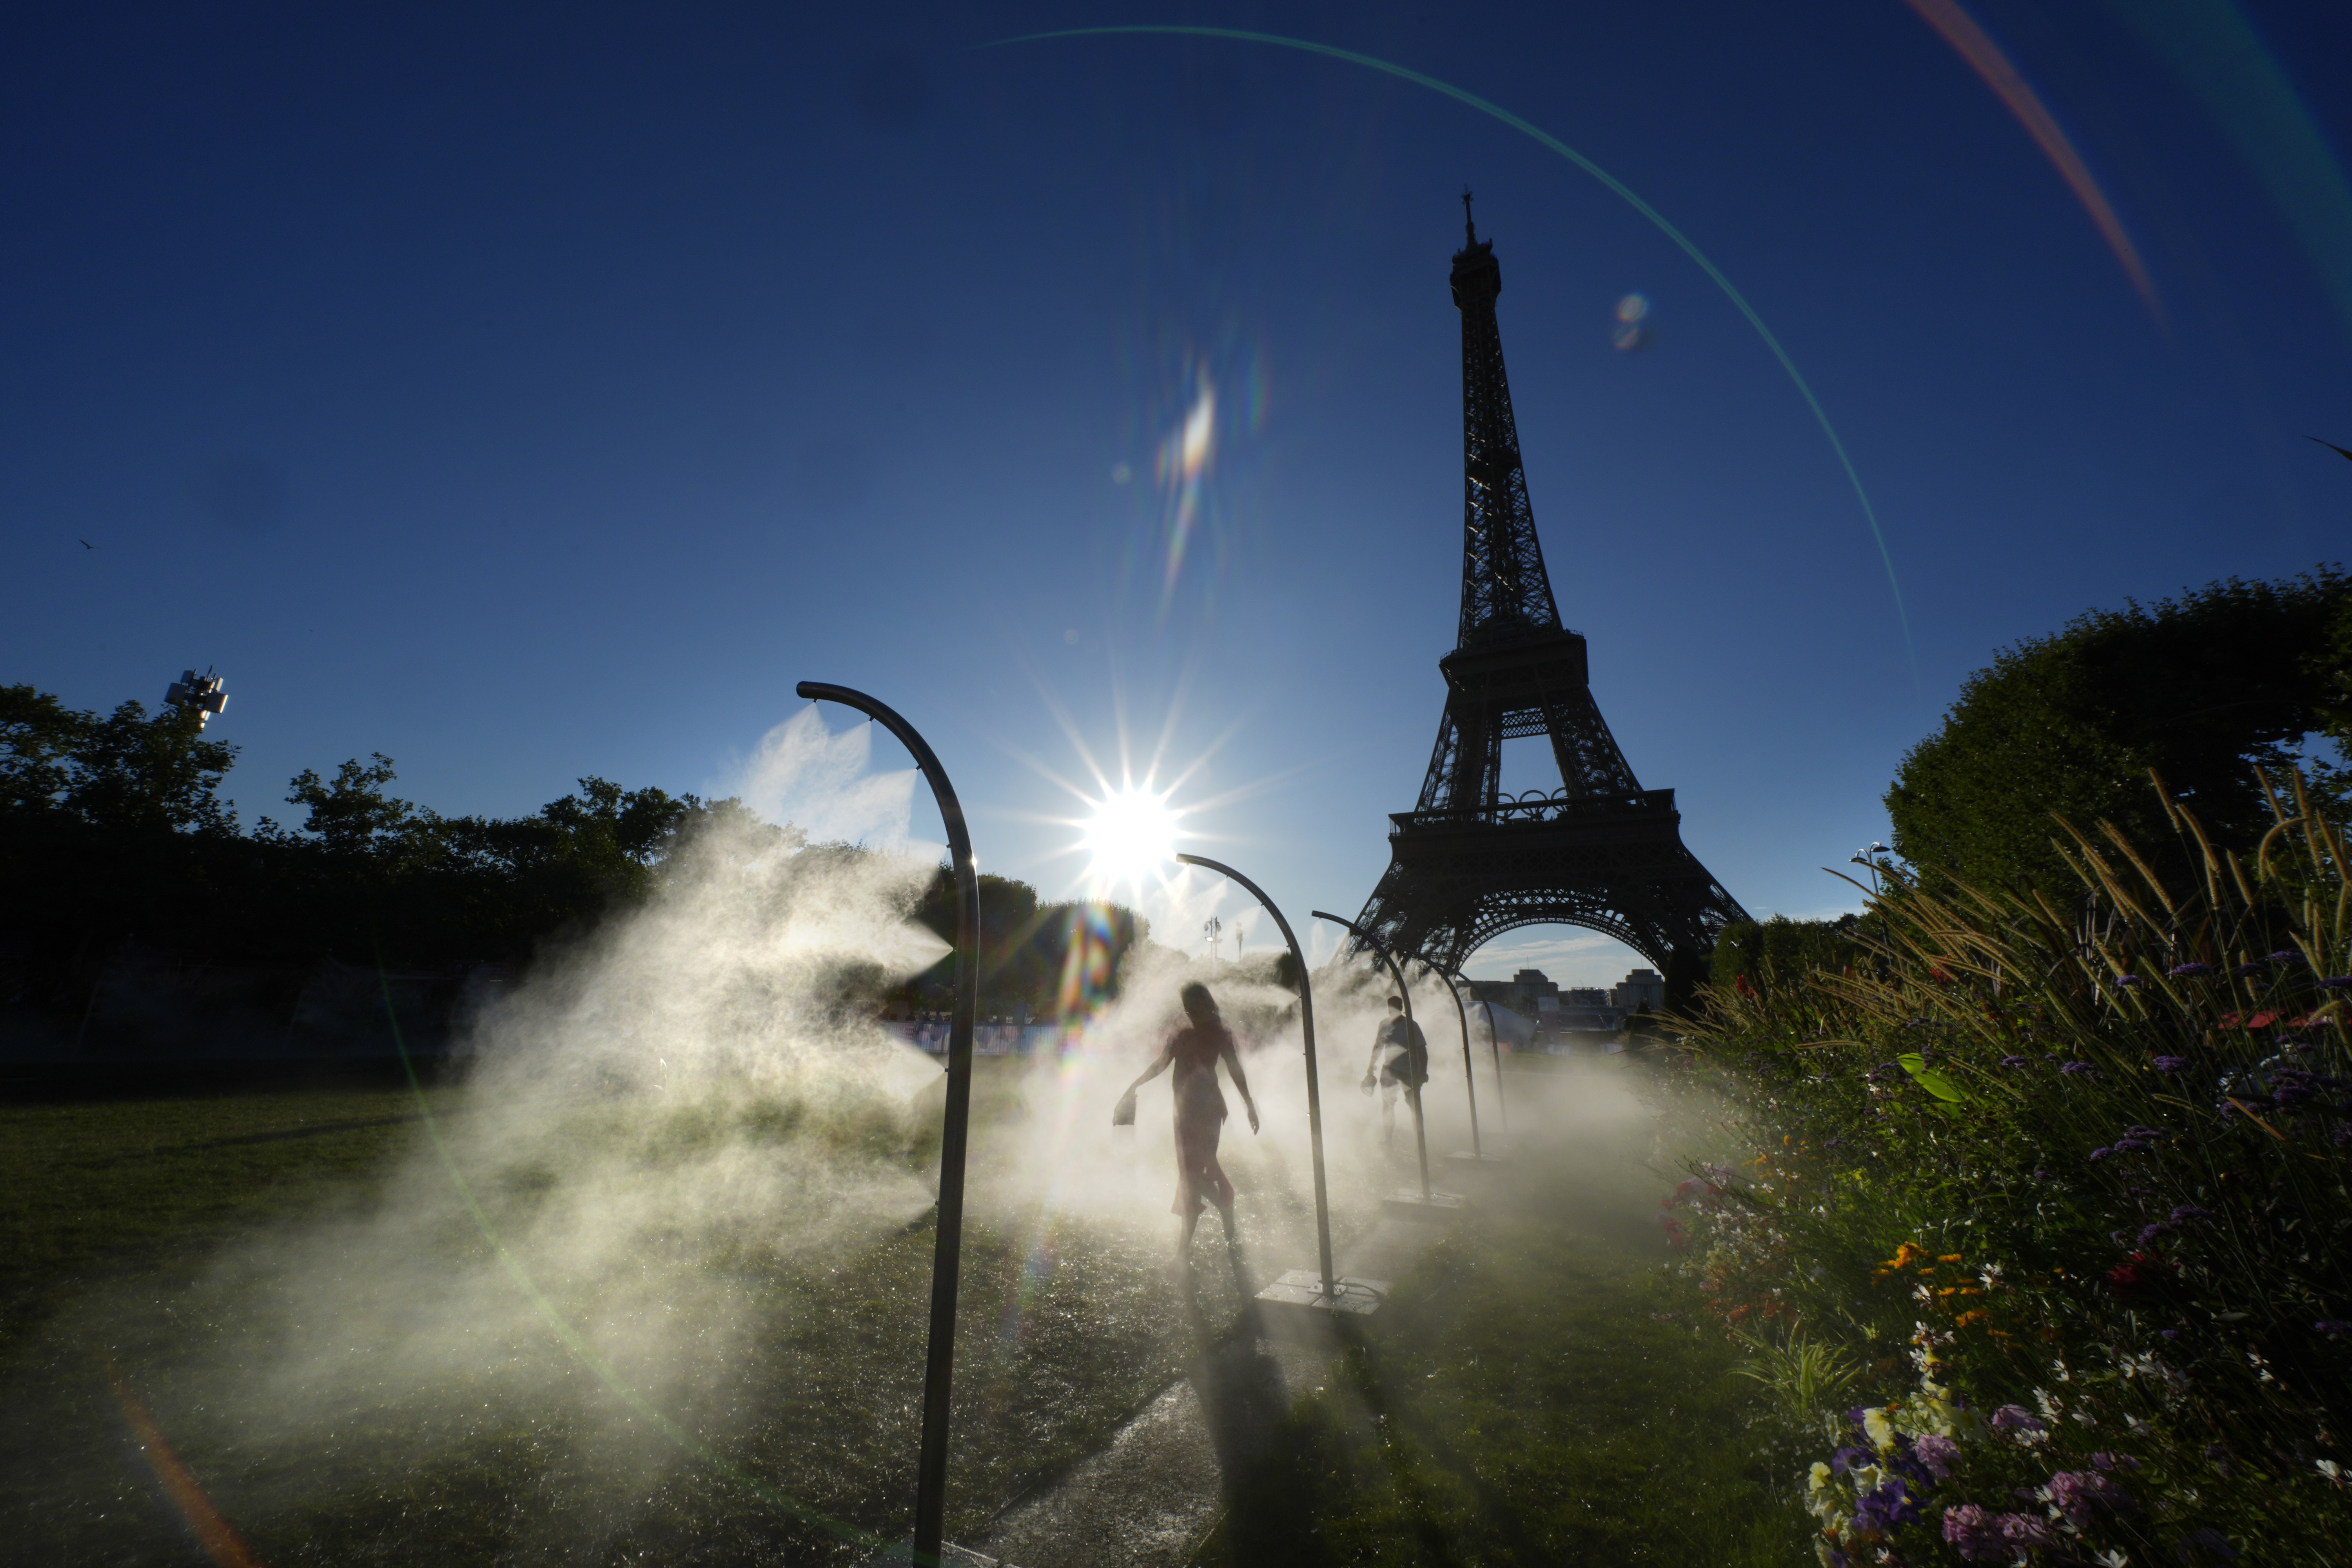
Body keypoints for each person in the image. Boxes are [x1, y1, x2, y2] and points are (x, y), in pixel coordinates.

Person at [1116, 982, 1259, 1264]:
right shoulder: (1182, 1027)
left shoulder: (1219, 1030)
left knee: (1193, 1173)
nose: (1191, 1012)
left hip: (1208, 1110)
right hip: (1183, 1110)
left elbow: (1234, 1067)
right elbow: (1162, 1062)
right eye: (1187, 1008)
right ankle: (1224, 1204)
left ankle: (1188, 1243)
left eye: (1195, 1007)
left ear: (1208, 1004)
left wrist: (1250, 1104)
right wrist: (1134, 1085)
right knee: (1191, 1171)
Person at [1360, 995, 1428, 1143]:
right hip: (1390, 1071)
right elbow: (1378, 1047)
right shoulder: (1384, 1025)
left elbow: (1422, 1051)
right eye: (1391, 1006)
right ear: (1388, 1008)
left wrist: (1423, 1072)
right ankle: (1388, 1139)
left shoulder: (1412, 1026)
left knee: (1414, 1106)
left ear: (1401, 1008)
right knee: (1388, 1105)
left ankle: (1420, 1140)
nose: (1393, 1009)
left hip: (1410, 1072)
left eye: (1396, 1006)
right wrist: (1371, 1068)